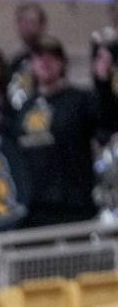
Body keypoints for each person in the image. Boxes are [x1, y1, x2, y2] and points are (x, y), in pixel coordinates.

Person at [18, 36, 102, 228]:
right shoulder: (23, 109)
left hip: (74, 206)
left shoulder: (81, 100)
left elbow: (107, 120)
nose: (45, 62)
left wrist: (103, 82)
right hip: (33, 208)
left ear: (62, 63)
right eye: (39, 57)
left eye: (52, 57)